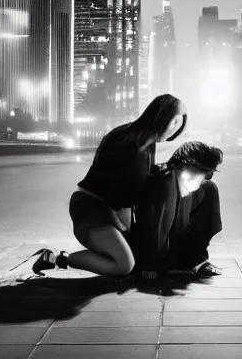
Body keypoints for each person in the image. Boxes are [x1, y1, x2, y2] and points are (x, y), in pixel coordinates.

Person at [32, 94, 187, 276]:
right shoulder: (133, 143)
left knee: (134, 257)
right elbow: (123, 194)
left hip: (106, 209)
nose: (174, 130)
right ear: (163, 118)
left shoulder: (142, 139)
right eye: (175, 122)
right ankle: (55, 260)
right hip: (91, 211)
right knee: (125, 265)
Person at [129, 141, 223, 277]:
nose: (199, 178)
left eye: (203, 173)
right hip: (154, 254)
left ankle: (197, 260)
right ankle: (155, 263)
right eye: (196, 172)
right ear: (183, 165)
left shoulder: (200, 186)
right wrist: (149, 265)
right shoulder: (161, 182)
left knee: (210, 188)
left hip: (180, 249)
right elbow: (151, 227)